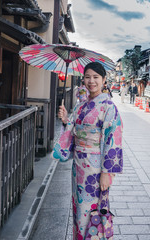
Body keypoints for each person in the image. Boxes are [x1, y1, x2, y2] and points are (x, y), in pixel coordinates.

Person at [52, 62, 123, 240]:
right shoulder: (81, 106)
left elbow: (112, 140)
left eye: (96, 77)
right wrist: (66, 119)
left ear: (104, 80)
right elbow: (73, 131)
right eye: (88, 77)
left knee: (92, 211)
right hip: (79, 166)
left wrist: (107, 173)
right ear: (83, 80)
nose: (91, 81)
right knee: (78, 207)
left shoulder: (109, 107)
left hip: (95, 168)